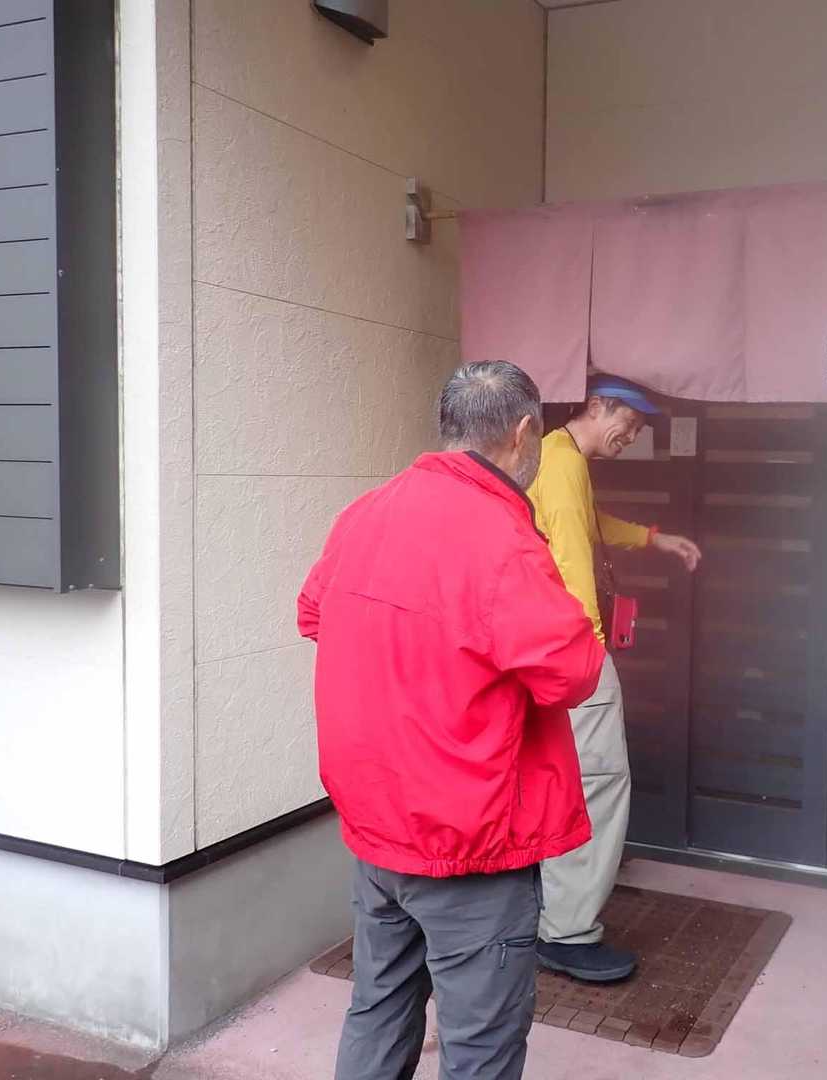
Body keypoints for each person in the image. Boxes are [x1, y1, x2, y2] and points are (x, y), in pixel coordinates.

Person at [298, 361, 606, 1080]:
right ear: (524, 433)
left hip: (378, 824)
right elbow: (573, 671)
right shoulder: (502, 538)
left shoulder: (365, 512)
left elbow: (313, 614)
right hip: (471, 841)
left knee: (377, 1006)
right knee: (480, 1044)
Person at [525, 373, 702, 983]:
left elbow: (586, 525)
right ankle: (568, 931)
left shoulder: (555, 456)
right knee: (598, 784)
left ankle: (544, 908)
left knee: (558, 781)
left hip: (544, 652)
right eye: (629, 422)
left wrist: (653, 538)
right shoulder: (562, 462)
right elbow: (574, 556)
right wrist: (594, 652)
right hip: (572, 655)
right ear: (598, 406)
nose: (633, 435)